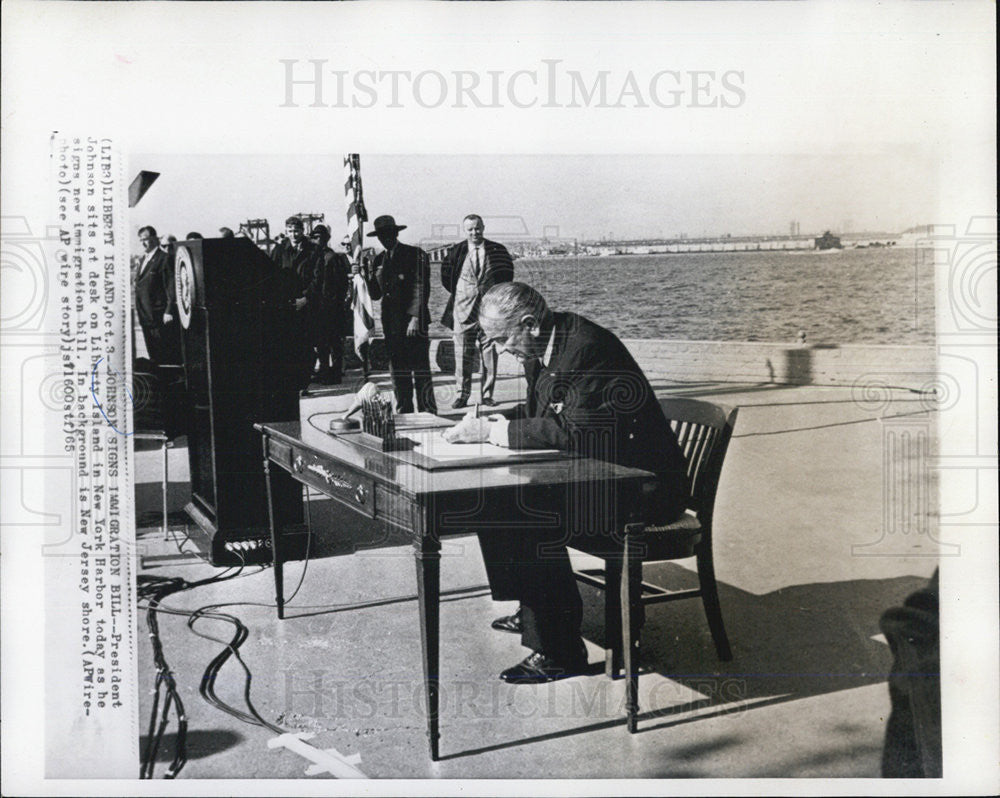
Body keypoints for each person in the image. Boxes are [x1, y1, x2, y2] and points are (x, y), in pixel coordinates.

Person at [444, 282, 690, 683]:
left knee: (523, 509)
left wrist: (491, 434)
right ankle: (534, 611)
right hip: (606, 474)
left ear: (529, 324)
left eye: (502, 339)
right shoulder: (545, 343)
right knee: (493, 496)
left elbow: (576, 433)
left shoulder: (587, 350)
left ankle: (559, 651)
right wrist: (491, 422)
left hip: (645, 489)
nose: (501, 350)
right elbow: (539, 410)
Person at [359, 215, 436, 414]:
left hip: (413, 321)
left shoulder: (414, 254)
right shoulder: (378, 260)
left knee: (420, 369)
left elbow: (421, 287)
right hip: (391, 324)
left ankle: (428, 411)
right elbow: (376, 295)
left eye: (389, 234)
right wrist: (366, 276)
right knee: (398, 370)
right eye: (382, 236)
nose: (386, 239)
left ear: (396, 233)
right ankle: (404, 410)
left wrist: (415, 318)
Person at [440, 214, 514, 409]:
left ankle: (487, 394)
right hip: (463, 312)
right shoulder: (456, 251)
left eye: (477, 228)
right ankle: (461, 395)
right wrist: (464, 294)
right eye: (470, 229)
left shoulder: (497, 250)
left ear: (483, 227)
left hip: (489, 312)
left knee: (489, 354)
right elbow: (446, 277)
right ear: (465, 230)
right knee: (462, 355)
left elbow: (507, 276)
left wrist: (495, 298)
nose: (474, 232)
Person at [270, 216, 317, 387]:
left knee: (306, 346)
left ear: (302, 230)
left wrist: (306, 298)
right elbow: (271, 276)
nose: (293, 234)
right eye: (290, 231)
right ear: (285, 231)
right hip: (286, 305)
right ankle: (292, 383)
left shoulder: (313, 250)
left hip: (306, 305)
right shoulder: (279, 250)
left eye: (296, 230)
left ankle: (304, 382)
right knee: (288, 346)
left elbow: (317, 279)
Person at [309, 224, 350, 384]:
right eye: (314, 237)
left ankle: (335, 373)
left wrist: (334, 303)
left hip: (331, 308)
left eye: (319, 237)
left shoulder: (332, 258)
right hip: (318, 307)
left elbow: (341, 284)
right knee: (321, 343)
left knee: (334, 343)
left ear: (326, 239)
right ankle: (325, 371)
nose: (316, 240)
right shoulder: (314, 256)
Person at [134, 225, 181, 365]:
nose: (143, 243)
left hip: (158, 315)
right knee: (152, 353)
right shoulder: (143, 259)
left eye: (146, 239)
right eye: (141, 240)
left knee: (164, 353)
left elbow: (170, 286)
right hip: (145, 315)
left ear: (154, 239)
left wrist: (169, 310)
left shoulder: (164, 258)